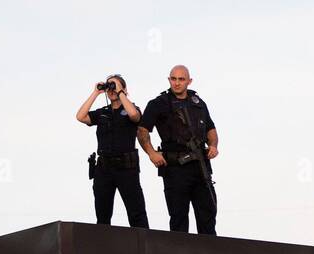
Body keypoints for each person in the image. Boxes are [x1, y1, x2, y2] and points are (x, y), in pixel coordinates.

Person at [137, 65, 219, 234]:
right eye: (173, 79)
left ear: (189, 81)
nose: (177, 83)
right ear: (169, 80)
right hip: (175, 168)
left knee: (208, 215)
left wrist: (213, 146)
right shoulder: (158, 103)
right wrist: (152, 153)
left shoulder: (199, 102)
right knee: (179, 217)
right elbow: (142, 130)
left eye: (181, 79)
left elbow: (211, 128)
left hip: (200, 166)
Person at [75, 74, 148, 227]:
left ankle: (143, 249)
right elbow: (80, 116)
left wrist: (121, 93)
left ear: (124, 88)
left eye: (114, 86)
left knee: (136, 213)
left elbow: (134, 115)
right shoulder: (103, 112)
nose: (112, 90)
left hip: (127, 169)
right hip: (104, 169)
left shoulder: (131, 108)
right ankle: (102, 249)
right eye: (109, 87)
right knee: (102, 214)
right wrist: (96, 92)